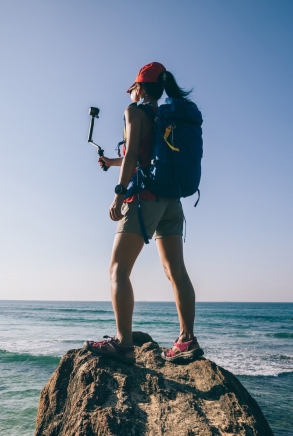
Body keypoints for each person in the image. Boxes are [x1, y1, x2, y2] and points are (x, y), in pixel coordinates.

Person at [83, 62, 203, 365]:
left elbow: (135, 152)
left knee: (118, 270)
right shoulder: (164, 116)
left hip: (143, 200)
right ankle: (186, 339)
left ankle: (123, 344)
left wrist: (118, 193)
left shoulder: (134, 111)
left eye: (133, 87)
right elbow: (143, 156)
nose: (131, 92)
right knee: (176, 271)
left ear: (140, 87)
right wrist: (112, 162)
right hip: (171, 202)